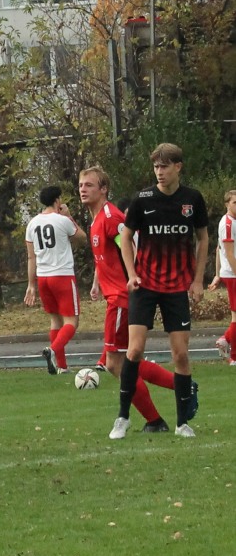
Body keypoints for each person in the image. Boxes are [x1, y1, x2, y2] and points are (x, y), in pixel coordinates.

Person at [78, 166, 181, 437]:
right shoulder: (97, 218)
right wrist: (97, 282)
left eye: (89, 185)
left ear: (103, 189)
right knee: (125, 360)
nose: (83, 189)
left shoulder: (111, 217)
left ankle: (159, 414)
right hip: (115, 297)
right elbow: (109, 257)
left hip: (122, 299)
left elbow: (130, 246)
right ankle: (175, 394)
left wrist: (135, 279)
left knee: (117, 364)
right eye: (81, 185)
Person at [118, 144, 206, 438]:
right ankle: (122, 418)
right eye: (156, 166)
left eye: (164, 166)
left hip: (177, 287)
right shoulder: (143, 199)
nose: (159, 172)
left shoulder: (192, 199)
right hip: (144, 285)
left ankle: (182, 424)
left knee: (180, 355)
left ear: (178, 167)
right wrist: (131, 274)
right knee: (135, 349)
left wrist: (197, 280)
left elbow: (203, 238)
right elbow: (126, 236)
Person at [23, 186, 86, 375]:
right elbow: (82, 238)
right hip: (62, 276)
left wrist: (31, 284)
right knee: (71, 322)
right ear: (57, 200)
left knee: (55, 321)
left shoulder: (32, 223)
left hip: (43, 277)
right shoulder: (62, 220)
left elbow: (31, 257)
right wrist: (69, 216)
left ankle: (62, 366)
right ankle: (53, 350)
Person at [207, 190, 236, 366]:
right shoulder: (227, 224)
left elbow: (218, 249)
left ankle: (225, 340)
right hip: (233, 275)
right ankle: (233, 356)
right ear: (227, 204)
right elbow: (229, 253)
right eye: (234, 202)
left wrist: (217, 275)